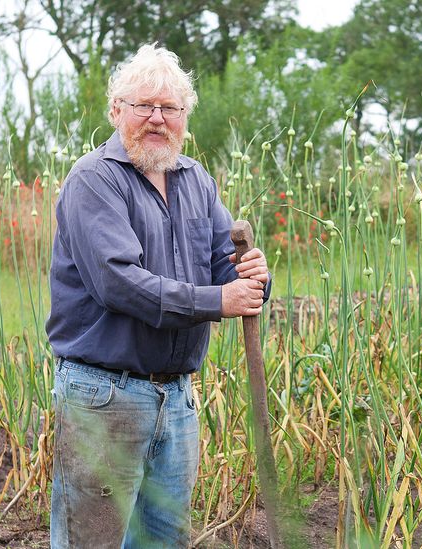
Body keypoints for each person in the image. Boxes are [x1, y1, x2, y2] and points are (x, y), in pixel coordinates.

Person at [46, 43, 270, 548]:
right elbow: (119, 283)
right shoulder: (93, 180)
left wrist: (253, 276)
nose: (156, 118)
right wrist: (219, 301)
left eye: (169, 108)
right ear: (116, 111)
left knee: (163, 542)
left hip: (176, 401)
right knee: (92, 543)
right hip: (105, 397)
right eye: (144, 105)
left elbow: (223, 266)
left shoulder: (196, 181)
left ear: (184, 117)